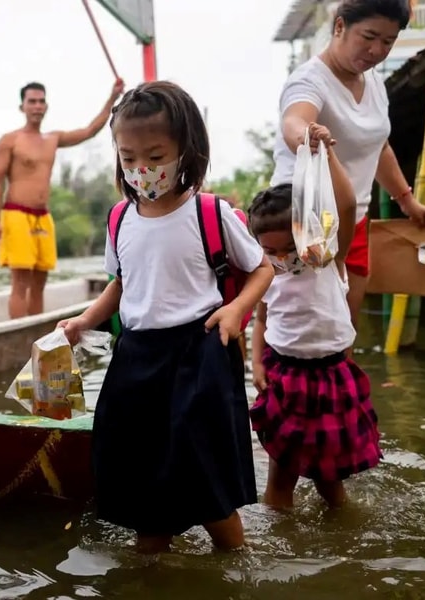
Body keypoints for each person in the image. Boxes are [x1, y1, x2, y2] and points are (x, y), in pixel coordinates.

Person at [59, 81, 274, 553]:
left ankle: (235, 566)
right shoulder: (120, 220)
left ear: (186, 150)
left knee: (208, 479)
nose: (142, 169)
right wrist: (82, 323)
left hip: (200, 352)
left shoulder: (210, 213)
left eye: (155, 156)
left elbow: (263, 267)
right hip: (136, 359)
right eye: (129, 157)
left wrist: (237, 309)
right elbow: (122, 284)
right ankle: (150, 573)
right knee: (142, 480)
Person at [270, 0, 425, 329]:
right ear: (340, 26)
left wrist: (407, 200)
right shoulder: (309, 80)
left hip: (353, 221)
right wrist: (308, 137)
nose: (376, 50)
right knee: (298, 329)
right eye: (369, 36)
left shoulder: (374, 82)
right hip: (303, 221)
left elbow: (379, 146)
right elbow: (294, 121)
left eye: (388, 42)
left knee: (344, 328)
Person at [249, 123, 382, 509]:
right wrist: (256, 362)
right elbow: (261, 320)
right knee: (280, 480)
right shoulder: (266, 273)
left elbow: (348, 204)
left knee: (331, 485)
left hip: (331, 375)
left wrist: (328, 154)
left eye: (289, 246)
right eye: (270, 250)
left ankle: (338, 553)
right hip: (285, 375)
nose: (282, 257)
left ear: (306, 233)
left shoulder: (326, 260)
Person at [0, 79, 125, 319]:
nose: (37, 106)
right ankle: (19, 336)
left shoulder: (52, 139)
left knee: (40, 281)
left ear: (46, 106)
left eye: (41, 101)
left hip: (43, 217)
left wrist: (113, 97)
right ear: (23, 106)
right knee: (20, 282)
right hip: (16, 214)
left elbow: (90, 131)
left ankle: (34, 333)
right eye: (32, 101)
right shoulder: (11, 140)